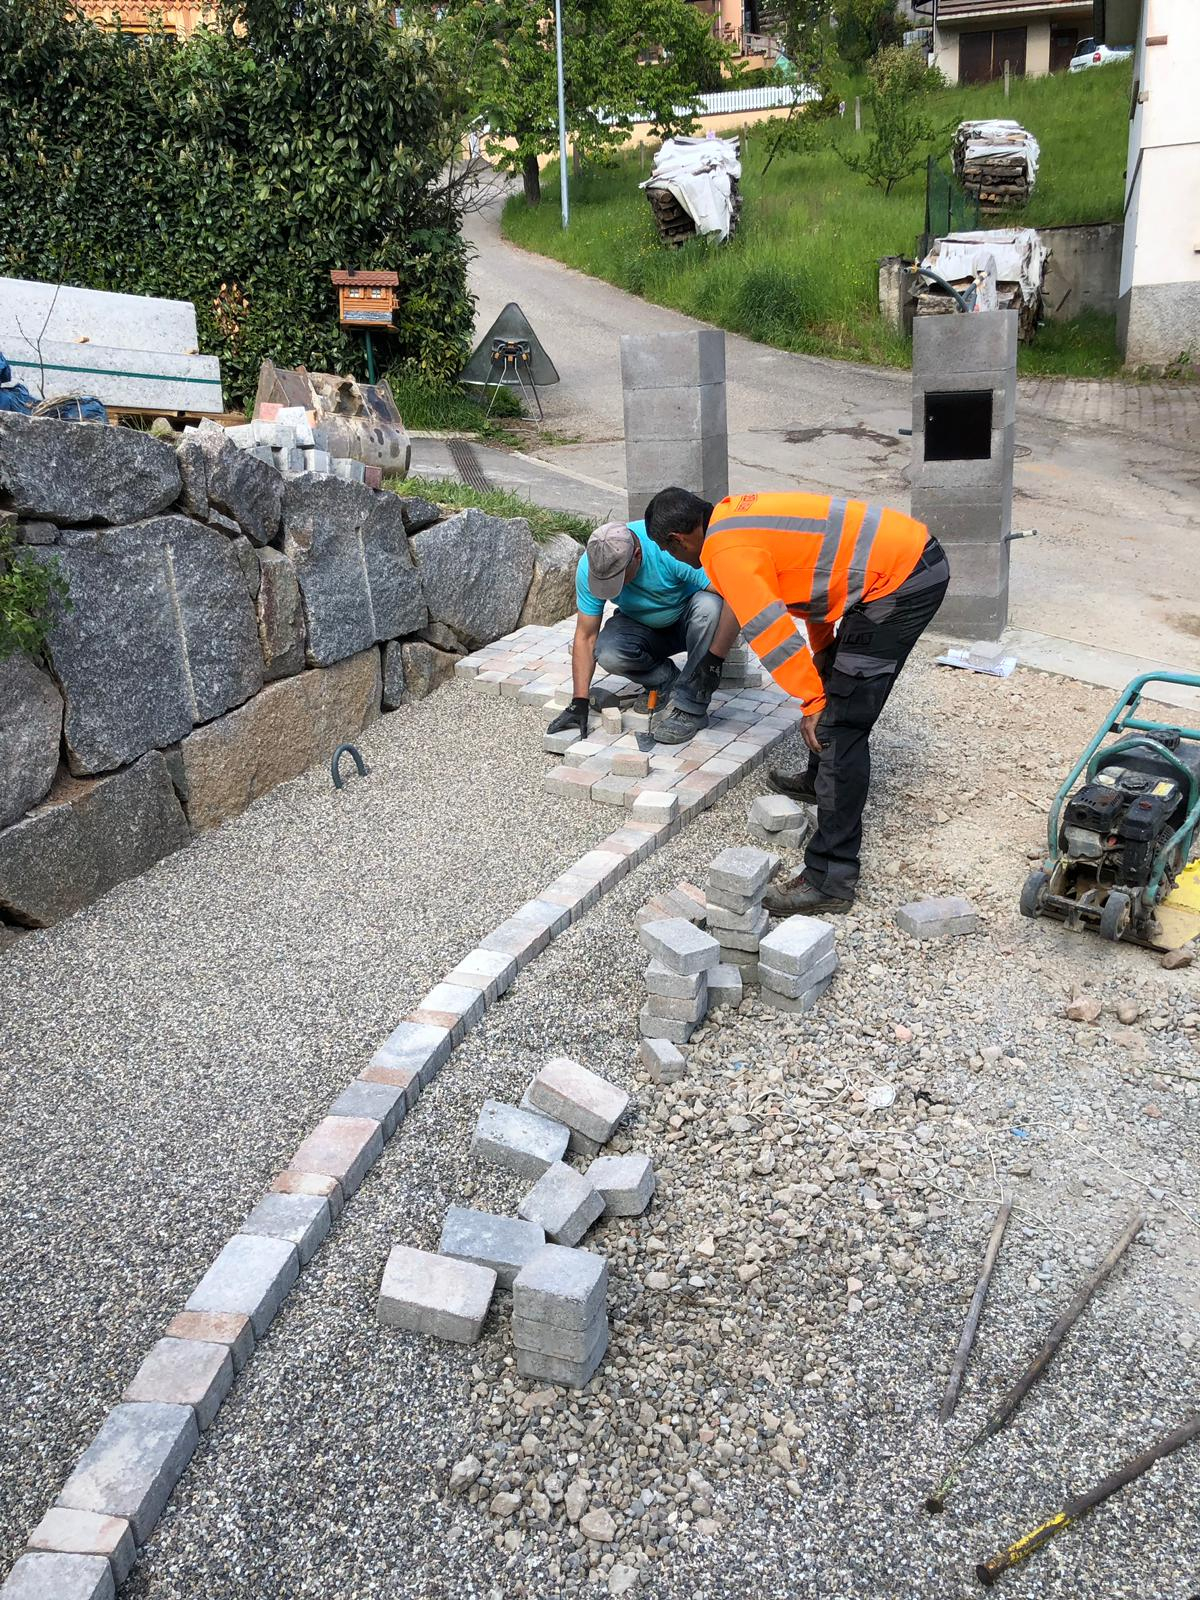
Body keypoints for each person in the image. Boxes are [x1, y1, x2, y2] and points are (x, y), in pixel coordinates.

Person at [643, 486, 949, 913]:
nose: (674, 560)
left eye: (668, 551)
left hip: (903, 581)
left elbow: (770, 631)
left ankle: (831, 878)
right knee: (833, 688)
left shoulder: (724, 550)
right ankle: (818, 779)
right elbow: (815, 585)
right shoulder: (734, 514)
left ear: (679, 538)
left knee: (839, 724)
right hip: (903, 562)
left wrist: (812, 700)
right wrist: (823, 655)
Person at [546, 517, 740, 744]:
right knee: (608, 651)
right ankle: (667, 680)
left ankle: (692, 707)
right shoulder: (591, 566)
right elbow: (586, 636)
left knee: (710, 607)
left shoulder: (667, 548)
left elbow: (734, 594)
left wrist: (716, 657)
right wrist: (579, 701)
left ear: (637, 556)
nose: (612, 587)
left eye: (618, 579)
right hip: (638, 625)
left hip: (687, 620)